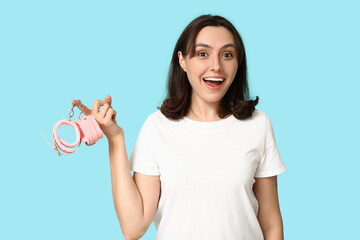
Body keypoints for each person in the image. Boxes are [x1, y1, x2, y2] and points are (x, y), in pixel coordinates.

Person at [72, 14, 286, 240]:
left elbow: (271, 225)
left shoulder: (258, 124)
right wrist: (115, 139)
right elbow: (134, 228)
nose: (216, 65)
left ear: (238, 62)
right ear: (182, 60)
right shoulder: (157, 127)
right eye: (203, 54)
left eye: (227, 55)